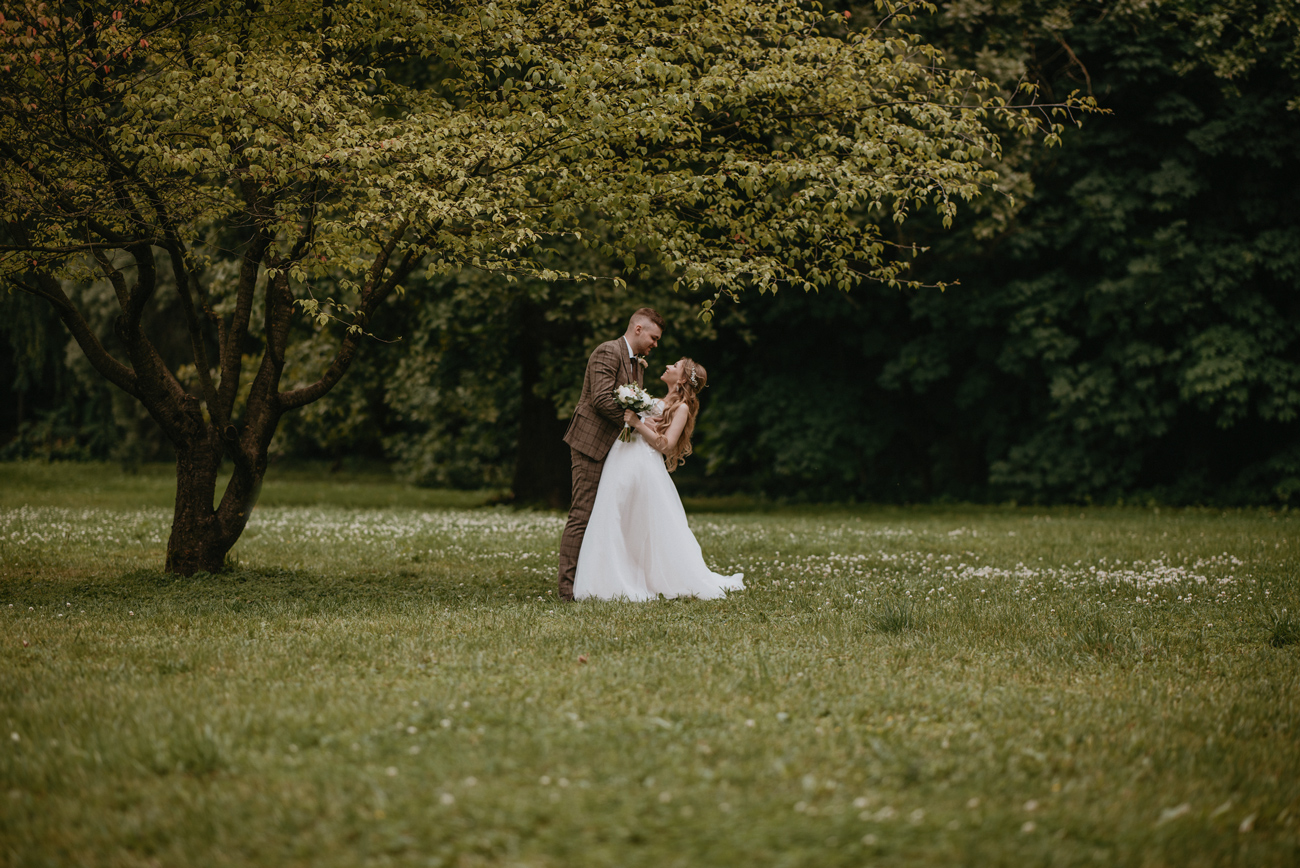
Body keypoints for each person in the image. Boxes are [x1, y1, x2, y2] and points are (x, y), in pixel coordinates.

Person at [573, 357, 745, 601]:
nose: (668, 366)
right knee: (614, 515)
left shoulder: (681, 408)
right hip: (622, 458)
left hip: (642, 464)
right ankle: (610, 577)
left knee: (636, 520)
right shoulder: (659, 401)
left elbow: (666, 445)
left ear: (683, 378)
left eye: (675, 366)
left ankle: (637, 577)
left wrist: (637, 423)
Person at [556, 308, 664, 601]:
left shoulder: (639, 364)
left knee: (607, 517)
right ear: (638, 328)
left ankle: (594, 583)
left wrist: (642, 419)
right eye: (654, 337)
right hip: (591, 444)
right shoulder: (607, 352)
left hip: (618, 450)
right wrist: (637, 421)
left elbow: (633, 405)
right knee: (582, 514)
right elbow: (602, 399)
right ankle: (566, 590)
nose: (656, 344)